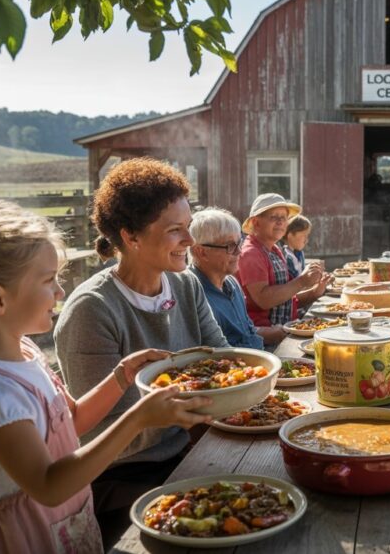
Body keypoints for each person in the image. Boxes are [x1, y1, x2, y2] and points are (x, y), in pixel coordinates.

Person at [0, 199, 212, 553]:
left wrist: (120, 377)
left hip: (60, 523)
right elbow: (48, 485)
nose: (60, 292)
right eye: (49, 281)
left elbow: (71, 420)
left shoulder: (23, 352)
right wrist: (137, 419)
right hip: (18, 538)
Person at [54, 157, 229, 541]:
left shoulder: (185, 285)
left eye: (190, 227)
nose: (190, 241)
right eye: (175, 230)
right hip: (122, 479)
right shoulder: (91, 310)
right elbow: (103, 432)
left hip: (188, 451)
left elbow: (223, 362)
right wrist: (192, 412)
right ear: (131, 237)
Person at [189, 207, 288, 348]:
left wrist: (280, 333)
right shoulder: (191, 293)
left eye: (239, 243)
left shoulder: (231, 283)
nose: (239, 251)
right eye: (230, 246)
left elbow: (247, 331)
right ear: (201, 252)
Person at [237, 193, 331, 326]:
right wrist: (302, 281)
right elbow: (264, 299)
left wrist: (314, 292)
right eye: (274, 217)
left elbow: (285, 299)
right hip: (265, 338)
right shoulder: (251, 253)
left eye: (284, 217)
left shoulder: (274, 249)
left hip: (285, 328)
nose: (280, 222)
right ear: (256, 223)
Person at [281, 214, 312, 280]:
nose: (306, 240)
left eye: (307, 236)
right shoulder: (285, 257)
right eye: (304, 235)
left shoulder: (299, 253)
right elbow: (295, 281)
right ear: (290, 235)